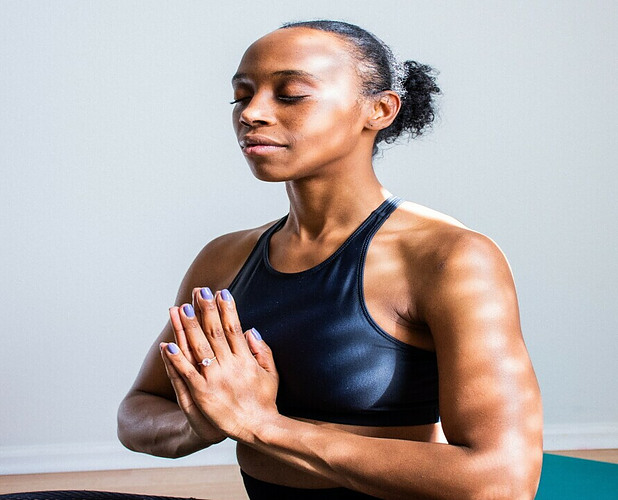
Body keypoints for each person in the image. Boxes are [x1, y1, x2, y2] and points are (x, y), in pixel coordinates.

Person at [117, 20, 543, 500]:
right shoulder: (223, 258)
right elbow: (138, 410)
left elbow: (502, 480)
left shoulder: (450, 257)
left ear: (379, 110)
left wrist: (263, 427)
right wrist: (204, 423)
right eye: (241, 95)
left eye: (291, 94)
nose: (252, 113)